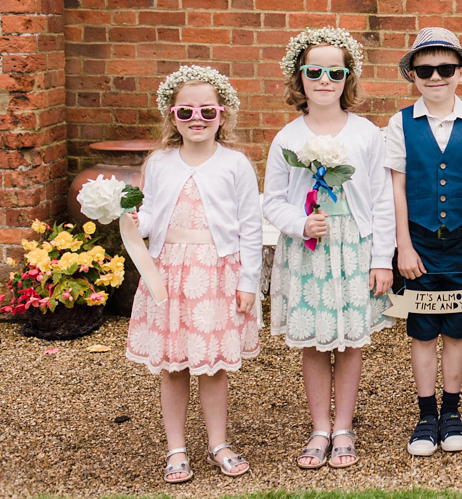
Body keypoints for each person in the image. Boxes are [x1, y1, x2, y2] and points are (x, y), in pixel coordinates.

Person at [264, 28, 395, 470]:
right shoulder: (286, 138)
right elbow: (273, 202)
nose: (324, 80)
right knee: (317, 343)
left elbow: (380, 200)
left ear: (347, 77)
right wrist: (301, 223)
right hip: (309, 248)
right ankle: (319, 427)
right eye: (314, 71)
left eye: (334, 72)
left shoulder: (366, 134)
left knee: (351, 342)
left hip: (353, 246)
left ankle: (343, 427)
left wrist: (382, 260)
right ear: (299, 77)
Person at [126, 65, 262, 483]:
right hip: (167, 274)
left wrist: (249, 282)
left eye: (206, 111)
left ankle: (218, 443)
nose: (197, 119)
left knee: (212, 365)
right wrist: (132, 219)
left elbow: (250, 226)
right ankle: (176, 448)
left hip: (216, 274)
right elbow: (150, 217)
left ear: (223, 114)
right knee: (173, 364)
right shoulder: (160, 162)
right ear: (172, 116)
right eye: (186, 112)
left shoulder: (235, 164)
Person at [386, 27, 462, 456]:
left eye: (445, 68)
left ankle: (452, 411)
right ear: (413, 75)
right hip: (418, 240)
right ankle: (425, 412)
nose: (435, 77)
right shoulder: (400, 124)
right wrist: (404, 247)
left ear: (460, 72)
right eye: (425, 69)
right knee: (421, 329)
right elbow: (396, 188)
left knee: (457, 328)